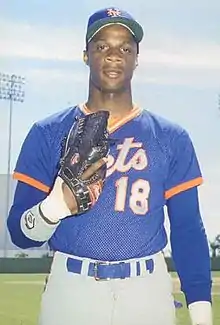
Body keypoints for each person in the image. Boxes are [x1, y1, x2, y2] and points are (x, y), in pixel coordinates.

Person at [7, 7, 212, 325]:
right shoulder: (48, 132)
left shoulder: (171, 137)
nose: (114, 55)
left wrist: (201, 312)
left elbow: (187, 229)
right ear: (86, 54)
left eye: (125, 48)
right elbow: (19, 233)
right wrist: (51, 210)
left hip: (147, 289)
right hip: (70, 287)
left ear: (137, 58)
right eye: (102, 46)